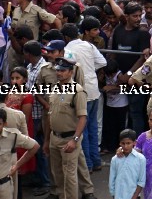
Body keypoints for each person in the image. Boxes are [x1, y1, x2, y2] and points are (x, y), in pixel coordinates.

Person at [46, 56, 88, 199]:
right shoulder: (54, 88)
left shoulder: (77, 91)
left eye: (63, 70)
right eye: (58, 70)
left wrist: (74, 140)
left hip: (69, 138)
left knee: (69, 177)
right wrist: (47, 140)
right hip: (54, 137)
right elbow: (49, 115)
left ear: (70, 72)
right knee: (57, 174)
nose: (59, 73)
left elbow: (83, 118)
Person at [110, 129, 148, 199]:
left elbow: (141, 181)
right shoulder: (115, 159)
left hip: (134, 196)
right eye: (123, 143)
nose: (125, 146)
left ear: (134, 143)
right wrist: (113, 194)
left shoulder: (140, 159)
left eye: (128, 143)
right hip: (118, 196)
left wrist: (134, 197)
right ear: (120, 143)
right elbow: (112, 179)